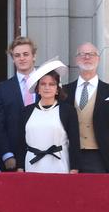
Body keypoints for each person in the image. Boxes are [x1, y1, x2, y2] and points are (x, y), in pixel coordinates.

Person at [19, 60, 79, 173]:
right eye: (43, 84)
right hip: (32, 166)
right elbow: (21, 142)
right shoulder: (26, 111)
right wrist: (20, 167)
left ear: (57, 89)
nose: (47, 87)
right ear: (37, 89)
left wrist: (74, 168)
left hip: (59, 165)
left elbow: (75, 142)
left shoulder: (68, 111)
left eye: (51, 84)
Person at [0, 36, 38, 170]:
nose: (22, 58)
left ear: (34, 56)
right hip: (13, 156)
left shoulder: (47, 84)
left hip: (43, 153)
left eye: (26, 54)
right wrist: (6, 154)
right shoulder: (3, 88)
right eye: (17, 55)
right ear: (13, 59)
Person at [65, 43, 109, 173]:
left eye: (92, 54)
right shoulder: (65, 91)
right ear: (76, 59)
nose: (87, 57)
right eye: (82, 54)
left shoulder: (108, 91)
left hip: (100, 155)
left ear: (98, 59)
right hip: (70, 155)